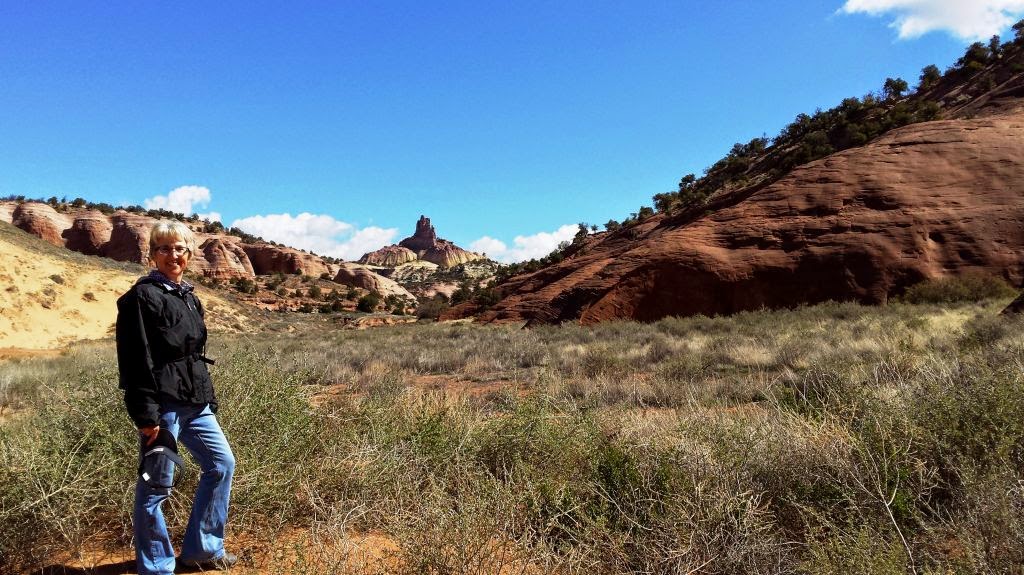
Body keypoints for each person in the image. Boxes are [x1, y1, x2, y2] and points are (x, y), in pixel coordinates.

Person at [116, 221, 237, 575]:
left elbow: (194, 355)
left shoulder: (189, 297)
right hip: (163, 406)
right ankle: (156, 566)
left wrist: (208, 398)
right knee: (156, 487)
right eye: (165, 248)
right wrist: (146, 417)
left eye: (180, 248)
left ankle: (202, 549)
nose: (173, 255)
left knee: (221, 465)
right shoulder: (141, 297)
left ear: (189, 254)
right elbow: (136, 361)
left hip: (195, 403)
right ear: (153, 254)